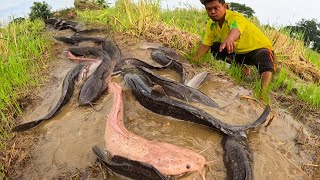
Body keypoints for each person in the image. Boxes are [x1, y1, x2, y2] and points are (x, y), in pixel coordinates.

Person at [194, 0, 275, 98]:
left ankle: (263, 93)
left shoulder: (235, 17)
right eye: (209, 9)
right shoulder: (211, 24)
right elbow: (205, 45)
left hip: (257, 50)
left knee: (264, 55)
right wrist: (193, 63)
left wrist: (229, 39)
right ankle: (243, 69)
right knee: (215, 47)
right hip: (238, 52)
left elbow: (235, 29)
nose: (213, 12)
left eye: (216, 8)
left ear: (224, 6)